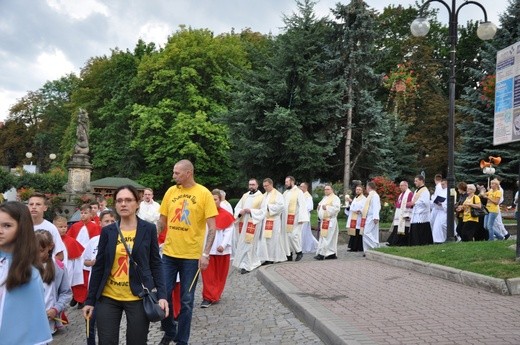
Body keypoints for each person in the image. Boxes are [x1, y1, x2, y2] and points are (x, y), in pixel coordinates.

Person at [83, 185, 168, 345]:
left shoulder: (148, 229)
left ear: (137, 203)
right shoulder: (108, 231)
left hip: (138, 295)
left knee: (137, 341)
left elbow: (156, 264)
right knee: (106, 341)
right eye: (119, 200)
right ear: (115, 205)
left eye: (128, 200)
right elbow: (99, 266)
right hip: (108, 296)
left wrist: (162, 296)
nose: (123, 204)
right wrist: (90, 301)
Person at [157, 159, 218, 345]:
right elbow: (162, 221)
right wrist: (150, 237)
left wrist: (206, 254)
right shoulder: (171, 192)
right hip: (169, 254)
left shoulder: (203, 193)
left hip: (191, 257)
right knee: (163, 296)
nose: (173, 176)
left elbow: (212, 228)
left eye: (177, 173)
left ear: (188, 173)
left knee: (186, 300)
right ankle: (169, 330)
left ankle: (182, 340)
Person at [0, 201, 53, 344]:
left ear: (21, 228)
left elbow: (32, 323)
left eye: (7, 225)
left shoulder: (28, 273)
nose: (0, 230)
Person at [82, 209, 116, 345]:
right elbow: (85, 261)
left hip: (111, 288)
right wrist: (94, 262)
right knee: (90, 320)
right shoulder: (94, 241)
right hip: (95, 286)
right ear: (100, 223)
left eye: (112, 221)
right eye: (106, 221)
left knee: (106, 327)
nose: (109, 224)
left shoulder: (121, 240)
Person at [200, 189, 234, 308]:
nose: (213, 202)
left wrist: (223, 245)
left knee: (220, 275)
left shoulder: (226, 215)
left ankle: (216, 294)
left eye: (215, 199)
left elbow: (229, 231)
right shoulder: (204, 213)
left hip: (221, 250)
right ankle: (207, 297)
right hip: (207, 250)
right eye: (211, 199)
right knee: (208, 275)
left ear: (220, 200)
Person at [34, 229, 72, 335]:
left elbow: (66, 293)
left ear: (50, 246)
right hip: (30, 321)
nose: (37, 255)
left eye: (41, 251)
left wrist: (55, 309)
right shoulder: (24, 267)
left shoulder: (58, 267)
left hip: (49, 321)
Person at [233, 178, 267, 274]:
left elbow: (263, 211)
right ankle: (245, 262)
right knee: (243, 244)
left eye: (253, 184)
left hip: (253, 223)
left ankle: (247, 265)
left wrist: (251, 211)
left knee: (249, 245)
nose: (251, 186)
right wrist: (240, 212)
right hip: (243, 223)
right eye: (250, 184)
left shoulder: (261, 197)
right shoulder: (245, 196)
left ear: (257, 185)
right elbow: (238, 207)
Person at [54, 216, 84, 309]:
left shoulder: (70, 241)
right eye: (60, 227)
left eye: (65, 227)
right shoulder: (51, 239)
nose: (63, 229)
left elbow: (77, 257)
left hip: (68, 267)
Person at [28, 193, 66, 262]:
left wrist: (46, 265)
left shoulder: (51, 228)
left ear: (45, 208)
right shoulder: (19, 226)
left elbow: (60, 255)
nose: (34, 207)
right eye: (31, 204)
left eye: (38, 204)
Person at [260, 178, 287, 265]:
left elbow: (281, 206)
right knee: (266, 240)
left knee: (273, 239)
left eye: (267, 186)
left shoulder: (278, 194)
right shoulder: (264, 195)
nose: (265, 187)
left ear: (271, 184)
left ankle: (273, 258)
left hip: (274, 220)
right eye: (264, 186)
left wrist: (269, 207)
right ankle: (267, 257)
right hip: (265, 220)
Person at [282, 176, 309, 261]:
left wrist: (302, 218)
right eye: (285, 182)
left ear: (292, 182)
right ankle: (289, 254)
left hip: (296, 218)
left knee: (293, 236)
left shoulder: (298, 192)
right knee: (286, 237)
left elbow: (302, 205)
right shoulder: (285, 193)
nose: (285, 184)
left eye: (287, 182)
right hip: (286, 218)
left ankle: (299, 252)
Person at [314, 184, 341, 260]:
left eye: (328, 189)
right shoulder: (325, 198)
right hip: (324, 220)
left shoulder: (335, 198)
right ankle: (331, 253)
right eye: (325, 189)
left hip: (330, 220)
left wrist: (327, 207)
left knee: (327, 237)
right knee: (324, 237)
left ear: (332, 190)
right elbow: (320, 206)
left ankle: (322, 254)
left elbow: (336, 209)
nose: (326, 191)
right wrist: (319, 208)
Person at [408, 175, 433, 245]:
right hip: (416, 212)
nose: (414, 182)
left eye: (416, 181)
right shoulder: (416, 190)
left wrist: (414, 203)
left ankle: (421, 243)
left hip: (422, 214)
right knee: (415, 228)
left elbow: (425, 202)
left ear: (421, 181)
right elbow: (414, 200)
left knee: (420, 229)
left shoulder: (425, 191)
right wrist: (412, 203)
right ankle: (414, 243)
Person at [387, 181, 413, 246]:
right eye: (400, 185)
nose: (400, 187)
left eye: (401, 185)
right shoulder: (402, 194)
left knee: (404, 229)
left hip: (404, 214)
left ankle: (400, 243)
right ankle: (393, 242)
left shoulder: (409, 194)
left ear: (406, 185)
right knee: (396, 228)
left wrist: (407, 215)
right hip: (399, 214)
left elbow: (409, 204)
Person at [345, 184, 366, 252]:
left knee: (357, 232)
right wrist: (348, 206)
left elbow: (365, 208)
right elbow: (353, 206)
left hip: (358, 217)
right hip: (353, 217)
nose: (358, 191)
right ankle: (352, 247)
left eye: (359, 189)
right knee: (353, 232)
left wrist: (360, 211)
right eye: (357, 189)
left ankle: (357, 247)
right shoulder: (355, 198)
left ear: (362, 190)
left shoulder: (364, 198)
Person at [360, 182, 380, 253]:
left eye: (366, 187)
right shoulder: (370, 195)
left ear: (368, 187)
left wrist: (376, 217)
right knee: (366, 233)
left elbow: (375, 207)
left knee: (366, 233)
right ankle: (367, 251)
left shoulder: (374, 195)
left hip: (372, 217)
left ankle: (375, 247)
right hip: (368, 216)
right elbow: (367, 207)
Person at [299, 182, 318, 253]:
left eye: (301, 187)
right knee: (306, 232)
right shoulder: (301, 195)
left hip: (305, 216)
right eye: (300, 186)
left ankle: (301, 247)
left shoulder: (308, 196)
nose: (300, 188)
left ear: (305, 187)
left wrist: (302, 209)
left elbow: (309, 207)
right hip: (300, 215)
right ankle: (310, 246)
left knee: (303, 231)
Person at [431, 179, 448, 243]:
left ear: (447, 184)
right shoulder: (441, 191)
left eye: (443, 184)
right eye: (441, 184)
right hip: (439, 211)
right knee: (437, 226)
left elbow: (450, 201)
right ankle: (438, 240)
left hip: (445, 211)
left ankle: (448, 237)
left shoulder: (449, 191)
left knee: (443, 224)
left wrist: (442, 204)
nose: (442, 186)